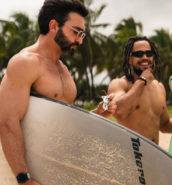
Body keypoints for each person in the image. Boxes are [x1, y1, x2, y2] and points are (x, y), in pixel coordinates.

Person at [0, 0, 115, 184]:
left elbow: (62, 121)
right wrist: (23, 179)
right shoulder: (26, 63)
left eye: (82, 35)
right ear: (53, 26)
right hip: (31, 177)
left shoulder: (64, 70)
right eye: (76, 32)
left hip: (60, 171)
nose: (79, 40)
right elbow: (7, 123)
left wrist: (96, 113)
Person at [107, 36, 172, 144]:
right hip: (129, 156)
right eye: (139, 54)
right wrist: (142, 81)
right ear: (129, 59)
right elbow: (119, 112)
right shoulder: (119, 84)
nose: (145, 57)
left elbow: (164, 125)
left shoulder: (159, 87)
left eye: (148, 53)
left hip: (153, 157)